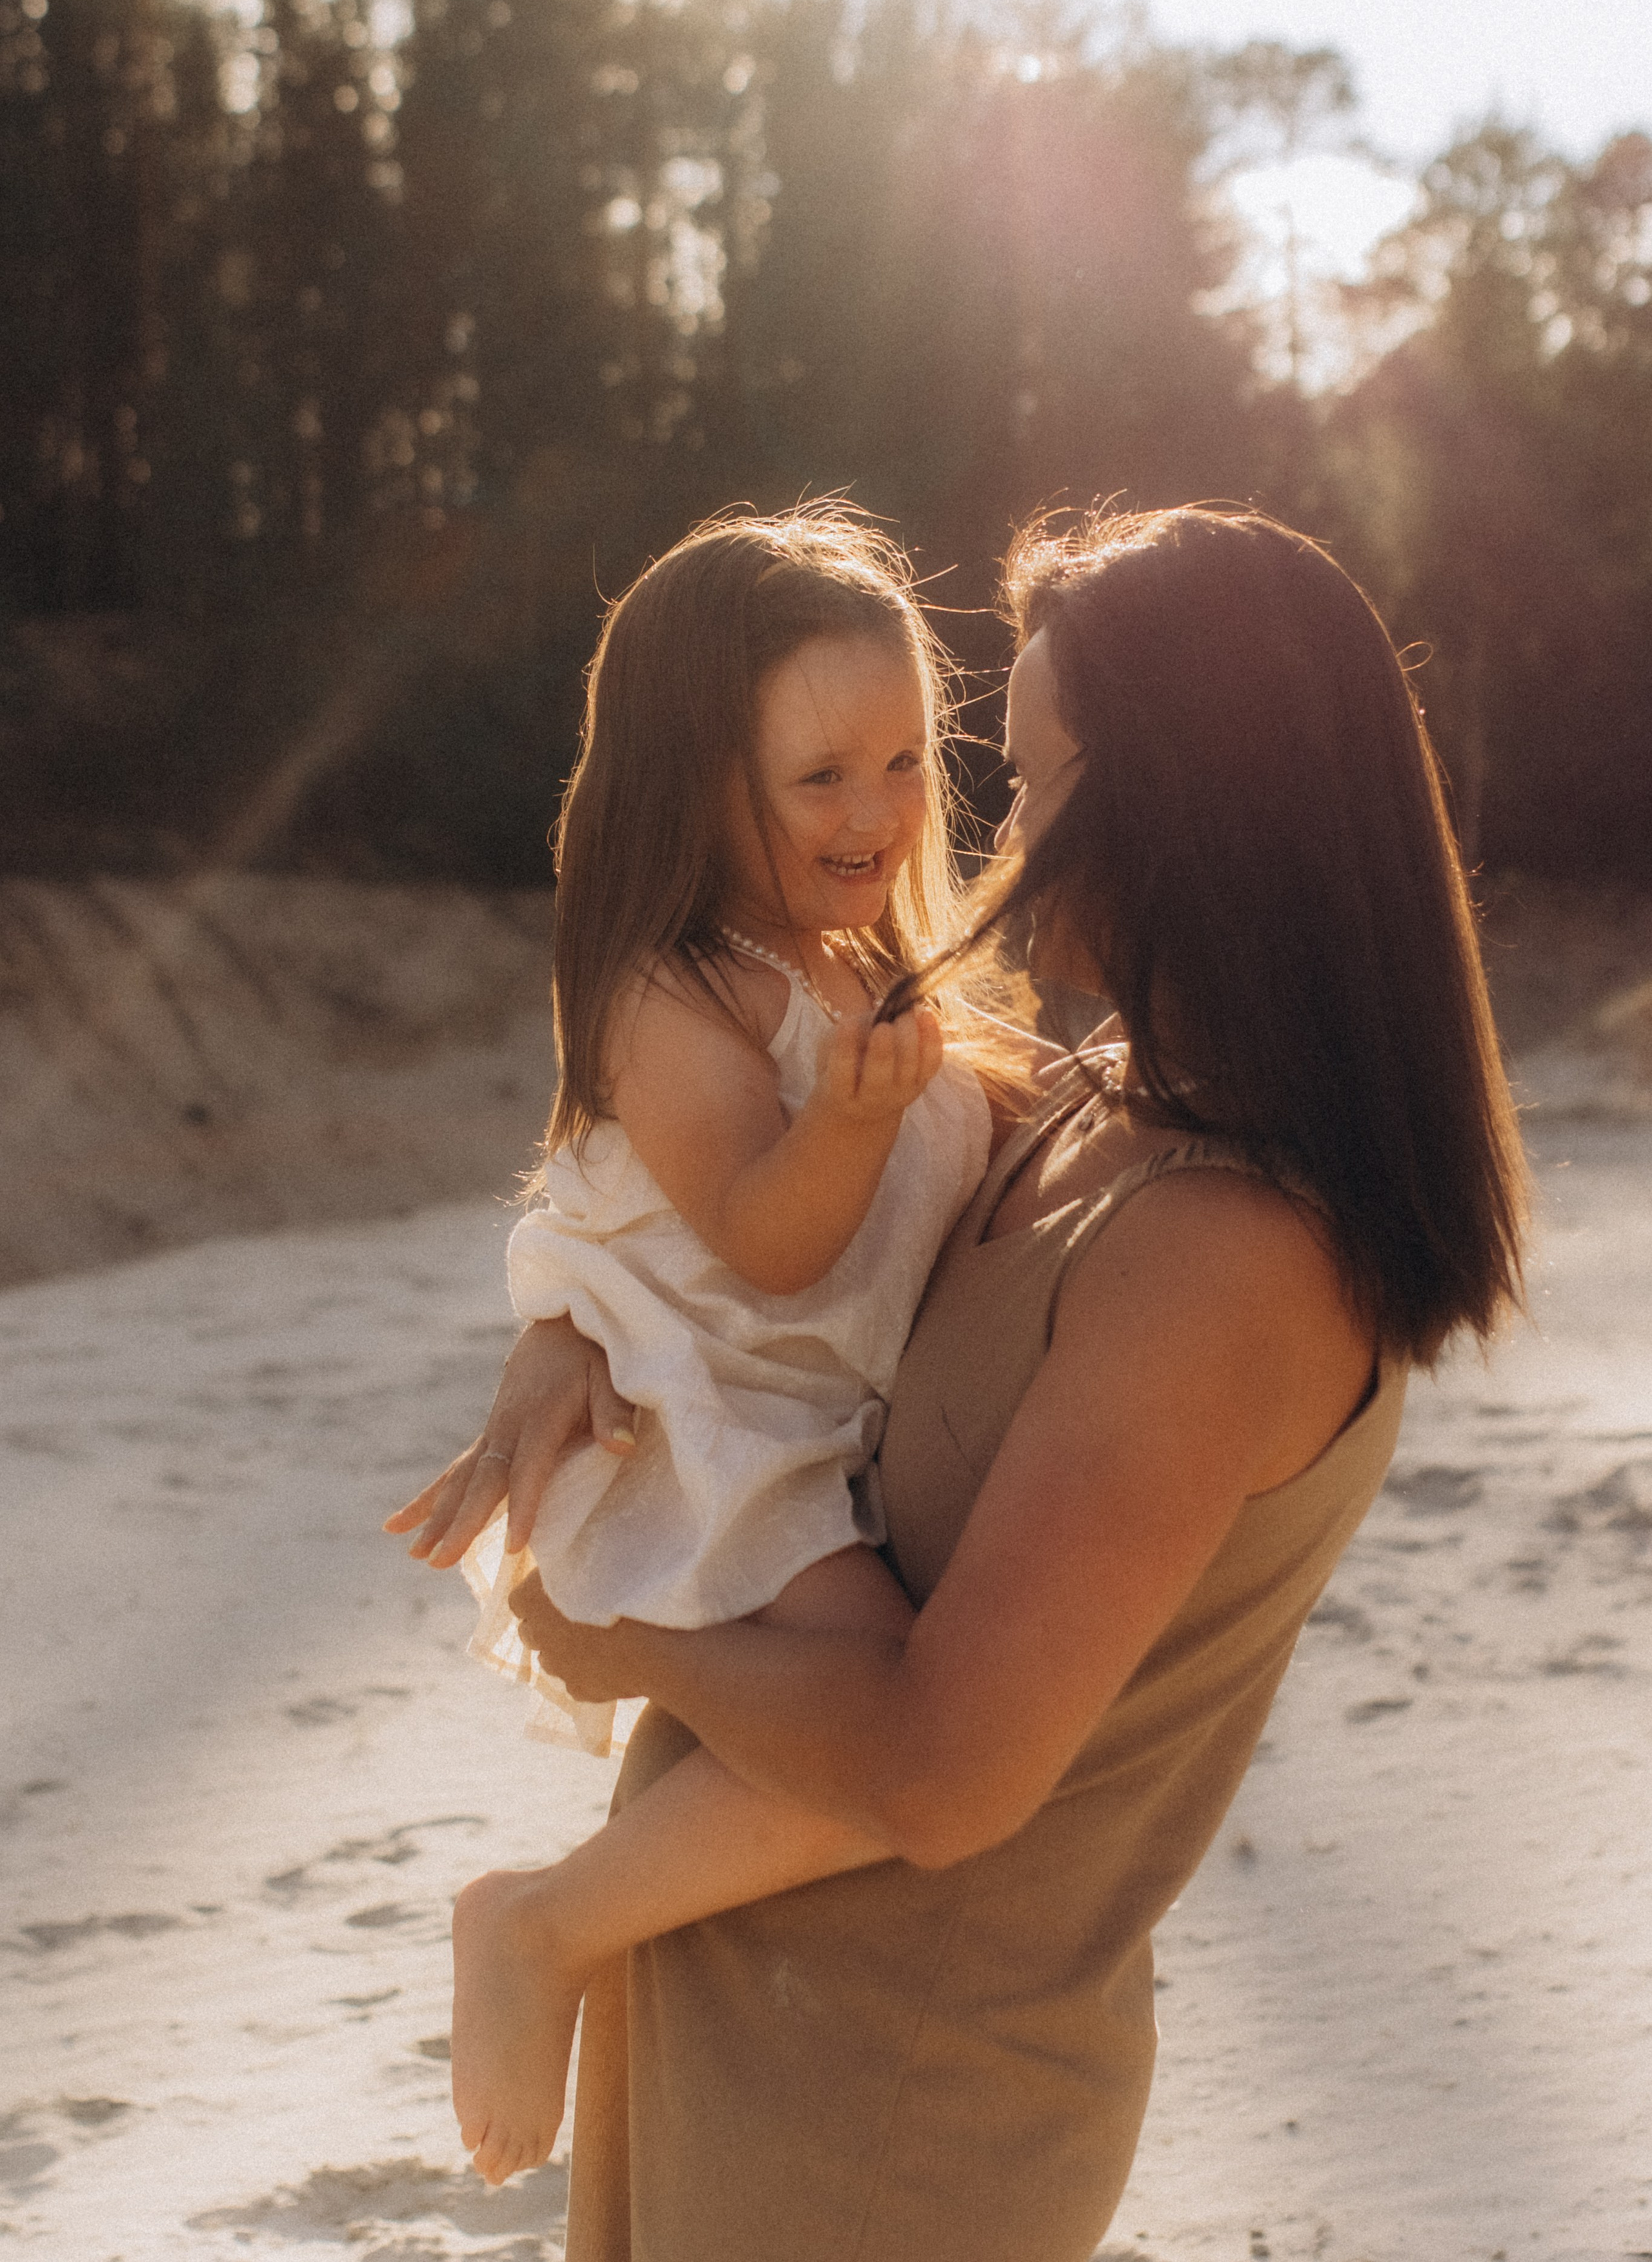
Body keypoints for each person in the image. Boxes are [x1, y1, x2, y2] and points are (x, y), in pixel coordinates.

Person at [391, 505, 1527, 2262]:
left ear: (1193, 820)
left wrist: (625, 1641)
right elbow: (753, 1255)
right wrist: (566, 1341)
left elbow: (940, 1771)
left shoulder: (1224, 1252)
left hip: (892, 2111)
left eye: (1037, 768)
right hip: (741, 2000)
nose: (979, 821)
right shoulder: (1097, 1095)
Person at [387, 508, 1001, 2187]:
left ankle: (576, 1913)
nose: (875, 811)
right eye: (820, 778)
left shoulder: (860, 960)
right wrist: (856, 1127)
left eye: (901, 758)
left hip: (809, 1434)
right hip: (713, 1438)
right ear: (694, 780)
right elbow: (769, 1233)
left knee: (912, 1739)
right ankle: (540, 1924)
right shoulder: (679, 989)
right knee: (907, 1748)